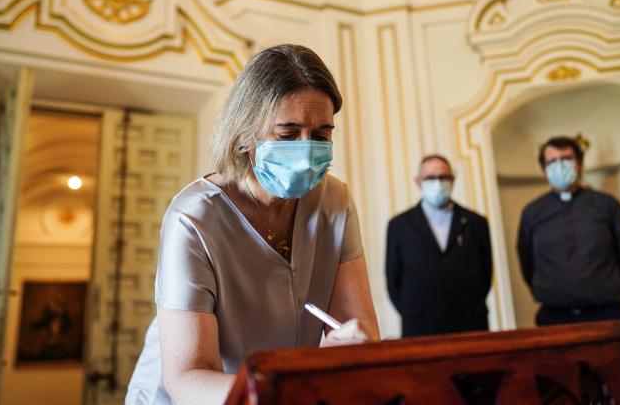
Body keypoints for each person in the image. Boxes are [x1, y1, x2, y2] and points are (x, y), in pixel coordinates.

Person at [126, 44, 380, 405]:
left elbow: (359, 328)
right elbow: (187, 375)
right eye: (288, 135)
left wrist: (355, 348)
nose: (307, 150)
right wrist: (281, 394)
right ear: (246, 134)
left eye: (322, 135)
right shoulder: (194, 216)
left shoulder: (335, 202)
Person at [517, 135, 620, 326]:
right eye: (552, 161)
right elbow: (526, 260)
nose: (560, 166)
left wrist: (616, 287)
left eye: (566, 159)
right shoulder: (532, 212)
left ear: (580, 163)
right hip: (554, 316)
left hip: (606, 312)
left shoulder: (605, 204)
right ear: (544, 170)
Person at [385, 154, 493, 337]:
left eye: (443, 177)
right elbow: (393, 279)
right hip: (419, 327)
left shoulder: (476, 222)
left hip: (470, 323)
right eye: (430, 178)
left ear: (453, 180)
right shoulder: (399, 225)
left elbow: (486, 273)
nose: (438, 182)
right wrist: (412, 311)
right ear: (418, 182)